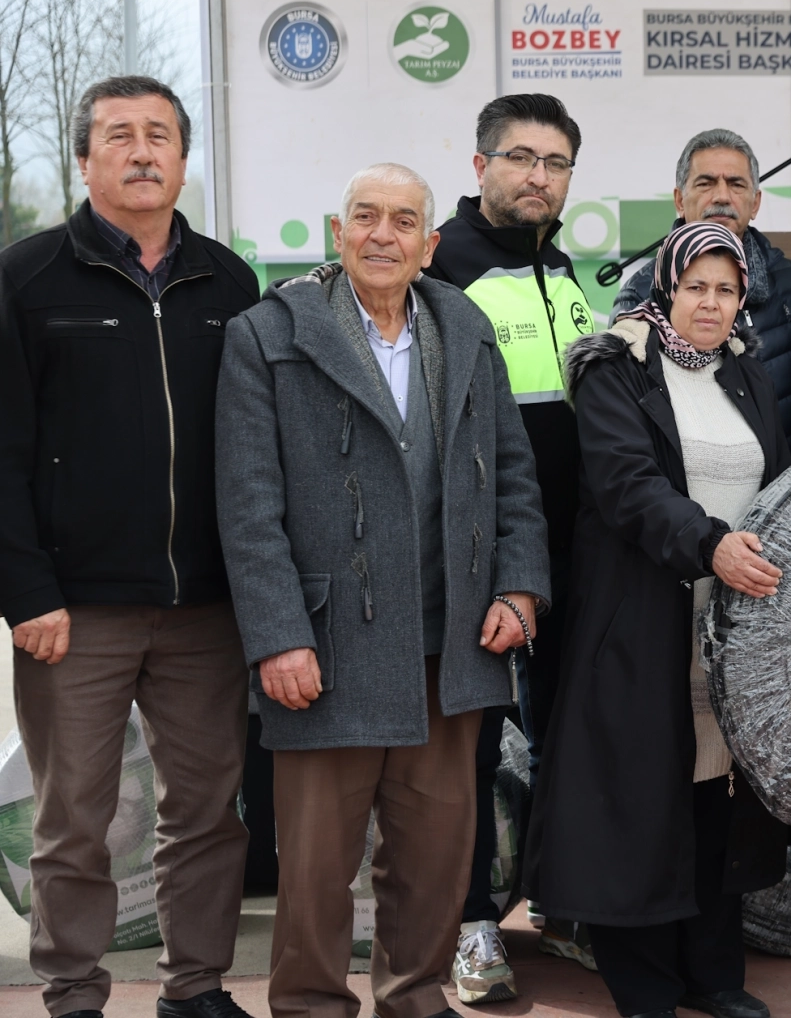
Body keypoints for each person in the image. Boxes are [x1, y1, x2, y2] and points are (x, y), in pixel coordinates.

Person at [215, 163, 549, 1018]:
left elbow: (514, 473)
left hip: (453, 645)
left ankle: (414, 1001)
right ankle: (309, 1008)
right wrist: (277, 635)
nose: (382, 235)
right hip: (326, 650)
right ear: (338, 233)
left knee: (435, 860)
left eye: (403, 221)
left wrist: (519, 589)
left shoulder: (465, 325)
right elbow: (247, 506)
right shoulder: (269, 334)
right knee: (316, 869)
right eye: (365, 216)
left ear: (429, 244)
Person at [0, 76, 260, 1018]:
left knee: (207, 813)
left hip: (206, 609)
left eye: (160, 135)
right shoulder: (24, 279)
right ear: (84, 160)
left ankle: (195, 988)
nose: (142, 151)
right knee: (76, 817)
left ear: (184, 160)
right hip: (75, 609)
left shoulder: (229, 282)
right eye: (118, 135)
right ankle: (72, 991)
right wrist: (26, 590)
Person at [531, 221, 791, 1018]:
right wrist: (709, 545)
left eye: (726, 289)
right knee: (639, 797)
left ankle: (711, 973)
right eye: (695, 287)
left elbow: (776, 482)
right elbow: (626, 484)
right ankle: (643, 982)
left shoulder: (745, 373)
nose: (710, 303)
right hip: (641, 616)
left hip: (732, 622)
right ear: (665, 289)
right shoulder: (614, 368)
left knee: (715, 788)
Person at [424, 92, 594, 991]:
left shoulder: (562, 270)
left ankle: (563, 906)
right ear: (480, 165)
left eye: (556, 163)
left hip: (572, 552)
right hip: (478, 557)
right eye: (521, 158)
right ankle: (470, 924)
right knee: (473, 749)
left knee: (570, 732)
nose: (539, 177)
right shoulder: (440, 264)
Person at [613, 129, 791, 439]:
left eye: (736, 184)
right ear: (679, 200)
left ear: (755, 203)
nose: (721, 197)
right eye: (705, 183)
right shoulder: (642, 292)